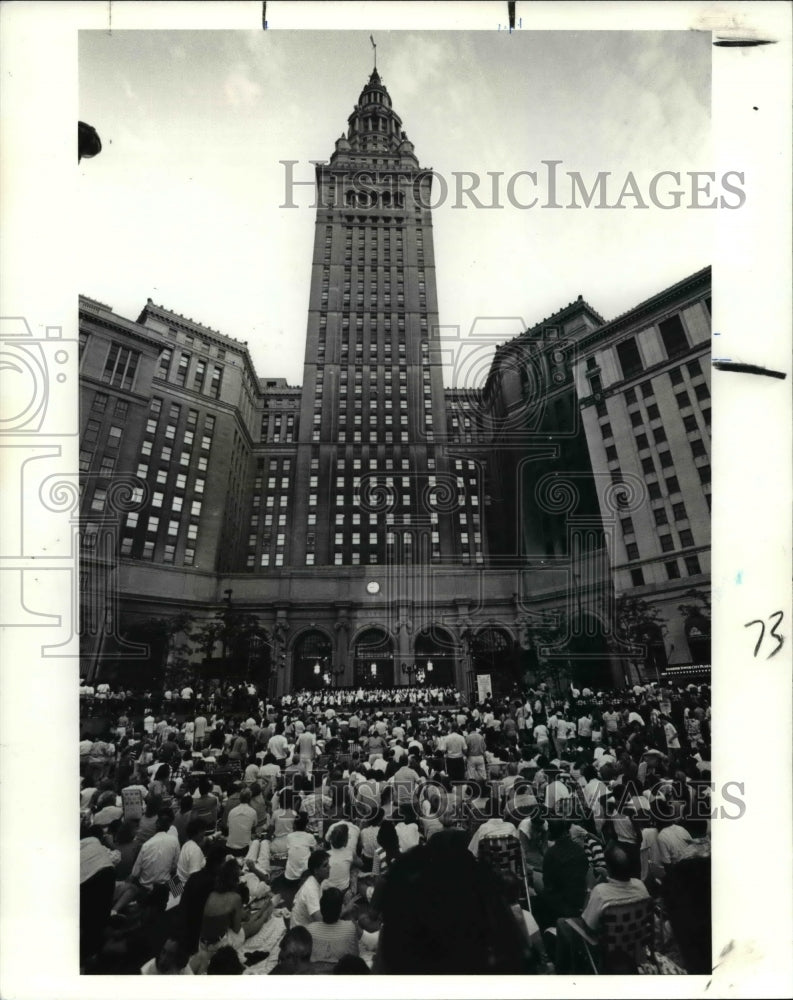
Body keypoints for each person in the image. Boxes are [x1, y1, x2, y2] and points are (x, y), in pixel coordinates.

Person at [553, 841, 651, 974]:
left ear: (609, 868)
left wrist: (589, 888)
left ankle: (566, 973)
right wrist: (609, 877)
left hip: (608, 954)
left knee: (562, 923)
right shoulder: (641, 886)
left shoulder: (600, 892)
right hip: (635, 947)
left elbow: (588, 927)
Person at [531, 818, 589, 931]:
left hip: (563, 903)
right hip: (580, 899)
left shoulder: (552, 854)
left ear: (551, 833)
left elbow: (548, 884)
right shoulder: (578, 849)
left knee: (536, 897)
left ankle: (547, 933)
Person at [307, 887, 359, 965]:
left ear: (321, 908)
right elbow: (356, 955)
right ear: (340, 910)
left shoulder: (309, 929)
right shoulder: (350, 927)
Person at [291, 850, 330, 927]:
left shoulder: (314, 880)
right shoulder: (311, 889)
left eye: (328, 864)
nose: (329, 867)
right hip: (302, 930)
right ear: (316, 871)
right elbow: (321, 922)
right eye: (325, 865)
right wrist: (343, 911)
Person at [226, 787, 258, 855]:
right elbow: (254, 828)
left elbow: (228, 826)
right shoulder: (253, 812)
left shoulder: (232, 811)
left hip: (230, 846)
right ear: (250, 799)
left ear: (240, 799)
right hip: (244, 848)